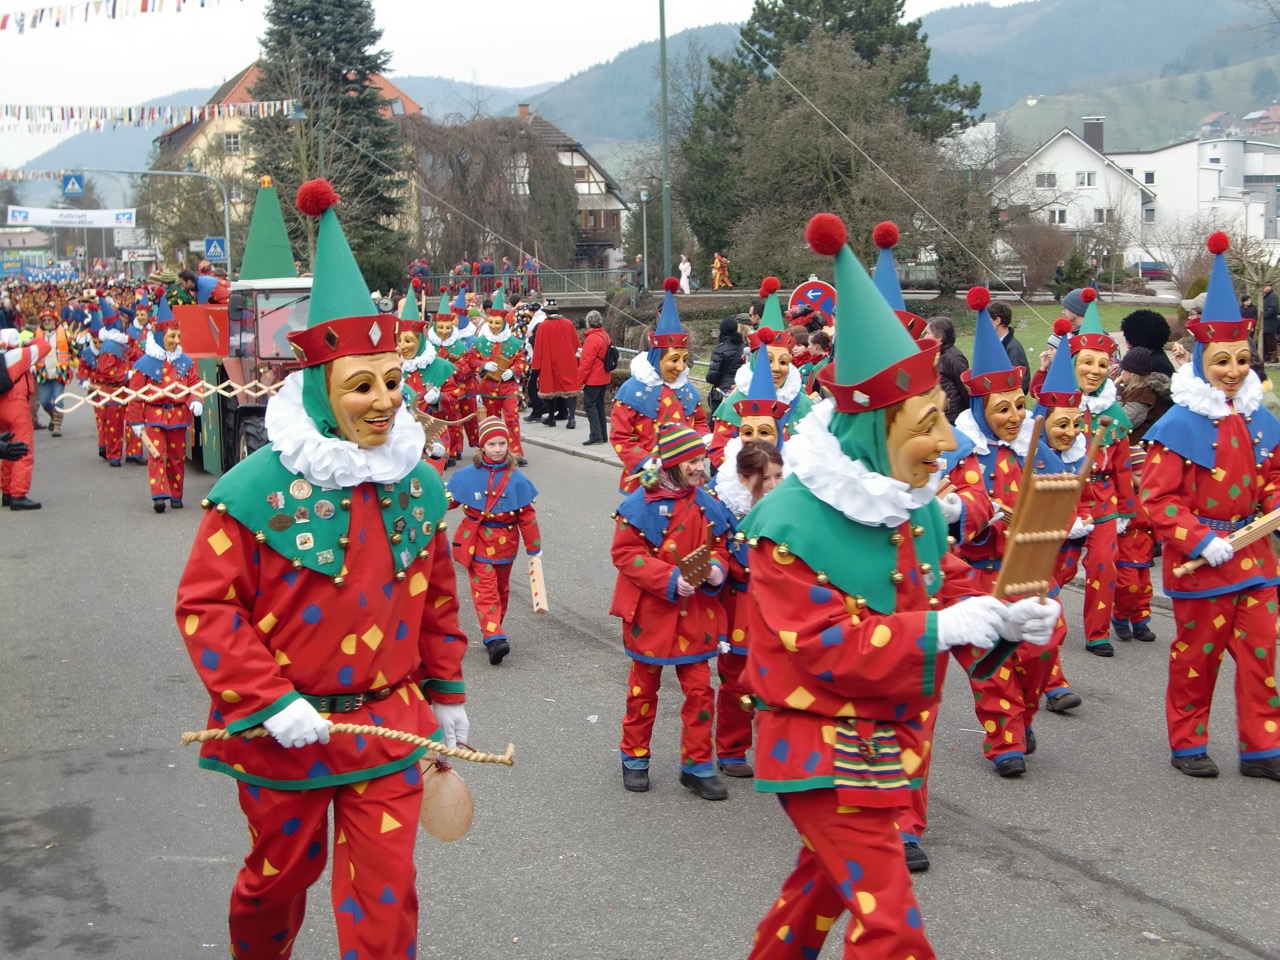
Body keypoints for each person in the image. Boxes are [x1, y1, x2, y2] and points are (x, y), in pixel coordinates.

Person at [743, 214, 1057, 957]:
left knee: (815, 897)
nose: (946, 442)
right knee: (890, 926)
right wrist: (946, 629)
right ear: (874, 430)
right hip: (818, 745)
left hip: (882, 737)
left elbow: (947, 587)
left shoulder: (907, 503)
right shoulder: (786, 526)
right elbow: (826, 647)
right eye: (926, 424)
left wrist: (1004, 617)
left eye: (944, 419)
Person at [174, 179, 471, 960]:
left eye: (392, 382)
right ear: (319, 387)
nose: (383, 403)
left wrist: (445, 690)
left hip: (387, 725)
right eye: (361, 386)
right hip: (286, 735)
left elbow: (437, 599)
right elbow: (208, 607)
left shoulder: (417, 483)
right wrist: (267, 701)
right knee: (277, 884)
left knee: (385, 896)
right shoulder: (253, 491)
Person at [1142, 231, 1280, 782]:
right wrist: (1201, 539)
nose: (1235, 371)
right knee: (1197, 658)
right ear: (1203, 359)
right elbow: (1157, 499)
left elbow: (1273, 476)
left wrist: (1273, 506)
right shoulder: (1179, 424)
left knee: (1262, 656)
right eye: (1223, 361)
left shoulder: (1259, 418)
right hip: (1202, 563)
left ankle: (1262, 748)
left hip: (1255, 557)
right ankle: (1188, 741)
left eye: (1243, 360)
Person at [610, 420, 734, 799]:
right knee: (642, 691)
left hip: (694, 616)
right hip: (651, 615)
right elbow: (625, 554)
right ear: (673, 463)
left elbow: (721, 546)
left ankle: (697, 765)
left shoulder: (707, 502)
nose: (699, 467)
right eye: (691, 461)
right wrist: (668, 578)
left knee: (700, 693)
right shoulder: (640, 504)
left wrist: (717, 569)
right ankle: (634, 756)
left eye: (702, 459)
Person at [446, 416, 541, 665]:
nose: (497, 449)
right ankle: (494, 637)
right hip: (477, 542)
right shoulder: (467, 476)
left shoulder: (518, 480)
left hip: (507, 544)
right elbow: (446, 501)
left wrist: (534, 549)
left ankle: (492, 628)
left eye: (502, 443)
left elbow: (527, 517)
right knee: (486, 590)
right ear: (482, 446)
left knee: (501, 590)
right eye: (491, 444)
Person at [609, 279, 710, 493]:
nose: (681, 367)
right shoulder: (631, 391)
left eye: (684, 359)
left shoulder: (688, 390)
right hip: (648, 480)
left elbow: (700, 421)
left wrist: (703, 439)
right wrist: (647, 462)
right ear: (657, 358)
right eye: (674, 360)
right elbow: (620, 436)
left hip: (687, 478)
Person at [707, 278, 813, 470]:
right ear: (755, 361)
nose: (776, 368)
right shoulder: (733, 403)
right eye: (768, 360)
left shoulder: (804, 404)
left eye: (783, 362)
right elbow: (718, 451)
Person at [125, 302, 202, 513]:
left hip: (178, 416)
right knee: (157, 455)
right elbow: (135, 394)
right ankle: (159, 495)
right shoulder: (144, 364)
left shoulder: (185, 362)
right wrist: (136, 421)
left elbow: (195, 383)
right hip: (154, 416)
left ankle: (176, 495)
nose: (177, 341)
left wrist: (196, 399)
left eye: (178, 337)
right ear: (161, 337)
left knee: (177, 457)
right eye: (172, 337)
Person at [469, 292, 528, 461]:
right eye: (491, 323)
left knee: (512, 419)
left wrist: (513, 371)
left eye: (497, 323)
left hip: (508, 388)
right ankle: (491, 452)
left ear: (503, 323)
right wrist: (483, 366)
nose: (494, 326)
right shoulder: (479, 342)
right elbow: (471, 360)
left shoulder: (514, 343)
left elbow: (521, 360)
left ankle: (515, 452)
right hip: (488, 389)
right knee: (491, 422)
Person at [0, 326, 51, 510]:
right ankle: (18, 494)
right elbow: (45, 346)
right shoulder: (18, 355)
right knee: (22, 449)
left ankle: (7, 492)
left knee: (7, 449)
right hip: (16, 406)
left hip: (1, 407)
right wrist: (30, 341)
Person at [532, 304, 581, 428]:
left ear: (546, 313)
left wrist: (536, 366)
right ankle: (571, 418)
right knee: (570, 389)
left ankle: (551, 418)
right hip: (568, 362)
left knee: (549, 389)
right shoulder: (568, 323)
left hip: (549, 362)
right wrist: (579, 361)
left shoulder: (543, 326)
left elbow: (538, 347)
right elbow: (577, 344)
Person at [32, 307, 79, 438]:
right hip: (43, 373)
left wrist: (77, 366)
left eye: (49, 320)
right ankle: (54, 417)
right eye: (44, 320)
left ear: (55, 320)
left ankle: (57, 427)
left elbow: (74, 349)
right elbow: (31, 352)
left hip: (60, 372)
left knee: (58, 400)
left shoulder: (63, 332)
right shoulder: (36, 334)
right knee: (45, 401)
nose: (47, 322)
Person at [577, 310, 612, 447]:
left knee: (590, 406)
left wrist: (580, 381)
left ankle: (595, 435)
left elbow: (586, 362)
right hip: (604, 376)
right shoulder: (605, 335)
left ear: (589, 322)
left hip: (594, 378)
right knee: (599, 405)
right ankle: (603, 434)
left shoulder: (592, 338)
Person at [928, 317, 969, 423]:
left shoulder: (953, 358)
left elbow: (965, 388)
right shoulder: (938, 354)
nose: (925, 337)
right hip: (942, 412)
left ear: (939, 337)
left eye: (928, 333)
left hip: (954, 416)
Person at [704, 316, 747, 413]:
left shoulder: (720, 349)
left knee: (717, 419)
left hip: (722, 392)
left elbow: (712, 377)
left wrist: (709, 378)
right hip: (740, 390)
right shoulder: (744, 348)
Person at [987, 300, 1031, 392]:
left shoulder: (1014, 349)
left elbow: (1022, 384)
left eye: (988, 320)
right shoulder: (995, 345)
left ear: (997, 321)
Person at [1263, 283, 1279, 363]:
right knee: (1265, 340)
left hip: (1270, 322)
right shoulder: (1265, 296)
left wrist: (1264, 315)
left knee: (1271, 340)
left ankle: (1274, 356)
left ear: (1269, 287)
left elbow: (1273, 309)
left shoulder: (1273, 296)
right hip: (1265, 322)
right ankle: (1267, 356)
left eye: (1265, 286)